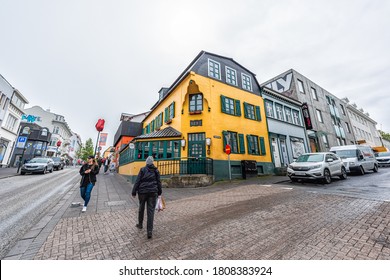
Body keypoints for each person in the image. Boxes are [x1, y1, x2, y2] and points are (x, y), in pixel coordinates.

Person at [132, 156, 162, 239]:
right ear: (152, 162)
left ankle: (140, 224)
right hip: (153, 192)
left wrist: (134, 191)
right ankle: (149, 231)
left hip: (142, 192)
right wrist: (159, 192)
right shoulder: (156, 170)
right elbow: (158, 182)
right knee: (151, 211)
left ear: (146, 162)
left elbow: (137, 181)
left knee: (141, 208)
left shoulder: (142, 170)